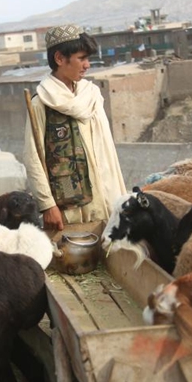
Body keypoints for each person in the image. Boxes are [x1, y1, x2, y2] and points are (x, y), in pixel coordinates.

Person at [23, 24, 126, 232]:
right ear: (60, 59)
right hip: (70, 202)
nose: (87, 65)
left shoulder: (91, 95)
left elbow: (106, 150)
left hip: (105, 193)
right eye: (81, 58)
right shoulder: (41, 103)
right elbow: (33, 157)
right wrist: (47, 205)